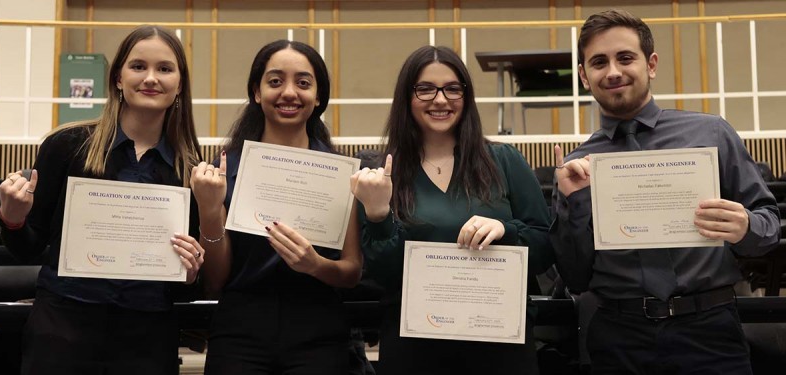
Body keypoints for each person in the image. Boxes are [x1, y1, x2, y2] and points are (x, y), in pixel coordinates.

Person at [551, 9, 781, 374]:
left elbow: (769, 229)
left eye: (625, 57)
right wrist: (575, 202)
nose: (612, 71)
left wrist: (746, 227)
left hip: (710, 331)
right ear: (584, 75)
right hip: (619, 337)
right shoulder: (577, 167)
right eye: (598, 62)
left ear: (651, 64)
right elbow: (576, 277)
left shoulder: (712, 134)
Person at [0, 25, 203, 375]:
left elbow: (186, 283)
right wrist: (13, 218)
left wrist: (191, 272)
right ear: (118, 78)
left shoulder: (192, 170)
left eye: (165, 69)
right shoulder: (65, 146)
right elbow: (28, 249)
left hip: (148, 335)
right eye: (138, 66)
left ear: (179, 85)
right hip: (63, 327)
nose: (151, 78)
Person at [351, 45, 554, 375]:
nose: (440, 100)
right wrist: (377, 214)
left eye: (452, 88)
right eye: (425, 89)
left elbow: (545, 248)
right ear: (407, 97)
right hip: (415, 348)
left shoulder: (505, 161)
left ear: (466, 96)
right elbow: (382, 275)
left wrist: (507, 230)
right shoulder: (383, 173)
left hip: (499, 347)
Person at [191, 39, 363, 374]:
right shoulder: (224, 172)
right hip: (239, 334)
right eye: (274, 81)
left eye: (303, 83)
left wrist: (315, 265)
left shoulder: (341, 175)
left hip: (318, 333)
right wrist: (210, 212)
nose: (289, 93)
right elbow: (214, 281)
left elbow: (352, 271)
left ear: (318, 97)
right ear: (256, 92)